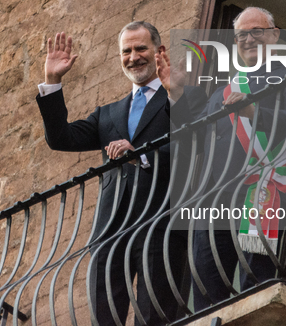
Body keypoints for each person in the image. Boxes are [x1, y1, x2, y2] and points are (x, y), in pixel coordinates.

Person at [36, 21, 205, 325]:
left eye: (141, 48)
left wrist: (142, 154)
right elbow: (60, 139)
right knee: (104, 317)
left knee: (157, 316)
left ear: (159, 51)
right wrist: (52, 80)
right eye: (126, 51)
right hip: (111, 231)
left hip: (162, 225)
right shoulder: (107, 114)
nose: (133, 56)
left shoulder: (181, 98)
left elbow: (196, 146)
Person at [157, 7, 286, 311]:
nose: (249, 38)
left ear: (275, 35)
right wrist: (176, 94)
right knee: (207, 289)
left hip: (262, 192)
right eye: (242, 34)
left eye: (257, 31)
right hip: (216, 199)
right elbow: (196, 139)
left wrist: (253, 112)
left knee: (256, 290)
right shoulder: (222, 92)